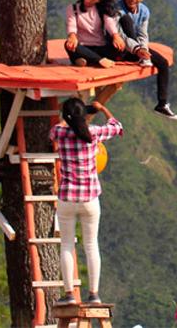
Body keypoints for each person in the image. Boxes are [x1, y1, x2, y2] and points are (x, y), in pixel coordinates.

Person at [49, 98, 123, 305]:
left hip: (67, 198)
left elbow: (57, 128)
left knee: (66, 245)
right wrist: (102, 109)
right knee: (91, 245)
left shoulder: (59, 133)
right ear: (83, 115)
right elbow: (117, 127)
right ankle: (94, 294)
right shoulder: (95, 133)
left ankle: (70, 294)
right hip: (90, 199)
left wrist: (71, 118)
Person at [113, 0, 177, 121]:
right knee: (127, 21)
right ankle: (140, 56)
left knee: (162, 63)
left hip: (137, 47)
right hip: (119, 48)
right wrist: (137, 50)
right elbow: (120, 36)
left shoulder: (144, 11)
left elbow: (143, 34)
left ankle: (162, 104)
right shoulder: (117, 9)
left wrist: (143, 50)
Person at [64, 0, 126, 69]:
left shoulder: (101, 9)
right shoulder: (73, 8)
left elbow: (109, 23)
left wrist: (116, 36)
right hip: (83, 47)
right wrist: (72, 36)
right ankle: (99, 60)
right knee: (68, 44)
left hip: (100, 47)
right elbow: (71, 24)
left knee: (119, 48)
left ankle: (84, 60)